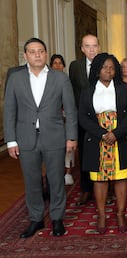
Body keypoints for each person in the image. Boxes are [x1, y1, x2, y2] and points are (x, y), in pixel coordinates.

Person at [3, 37, 77, 238]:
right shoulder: (15, 78)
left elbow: (70, 110)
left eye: (40, 51)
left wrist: (71, 136)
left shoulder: (60, 78)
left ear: (45, 54)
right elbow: (9, 110)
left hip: (54, 137)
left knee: (56, 180)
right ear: (25, 55)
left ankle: (57, 219)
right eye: (32, 51)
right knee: (32, 181)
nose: (37, 54)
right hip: (25, 138)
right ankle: (36, 219)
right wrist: (11, 140)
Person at [78, 53, 127, 234]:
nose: (108, 70)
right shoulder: (87, 91)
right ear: (97, 70)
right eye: (104, 67)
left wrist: (116, 133)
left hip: (120, 139)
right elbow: (83, 118)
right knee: (100, 179)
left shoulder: (124, 89)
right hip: (97, 140)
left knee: (121, 177)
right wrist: (103, 133)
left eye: (112, 67)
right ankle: (102, 214)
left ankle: (120, 213)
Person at [69, 34, 100, 206]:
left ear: (99, 47)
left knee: (104, 155)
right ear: (82, 48)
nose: (91, 49)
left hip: (103, 120)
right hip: (82, 120)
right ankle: (86, 190)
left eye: (94, 46)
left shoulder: (106, 64)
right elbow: (72, 92)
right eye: (87, 46)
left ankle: (105, 190)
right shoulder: (75, 66)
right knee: (84, 155)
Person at [50, 54, 75, 186]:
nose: (58, 65)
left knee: (68, 148)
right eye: (55, 63)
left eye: (60, 63)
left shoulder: (67, 81)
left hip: (65, 119)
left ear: (64, 66)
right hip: (52, 122)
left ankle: (68, 172)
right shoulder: (47, 81)